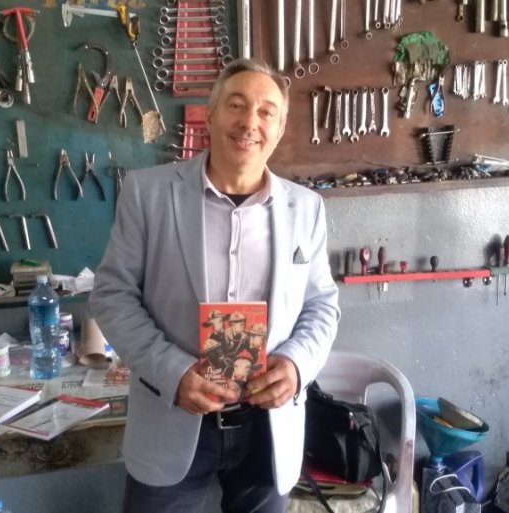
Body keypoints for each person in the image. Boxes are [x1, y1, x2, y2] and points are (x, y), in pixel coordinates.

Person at [90, 58, 340, 513]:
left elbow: (322, 304)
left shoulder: (306, 208)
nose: (250, 122)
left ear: (280, 128)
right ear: (210, 114)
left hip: (269, 430)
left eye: (266, 112)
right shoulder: (148, 194)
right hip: (172, 420)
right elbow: (112, 295)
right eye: (236, 105)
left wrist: (297, 363)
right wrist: (172, 372)